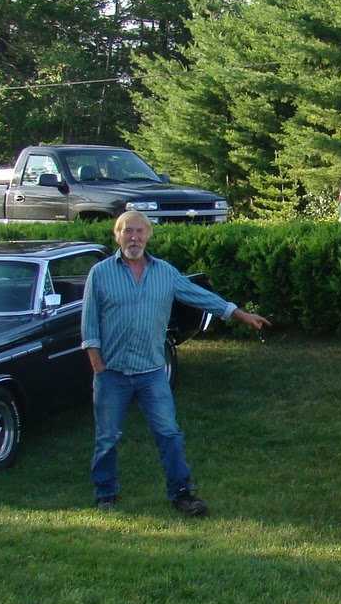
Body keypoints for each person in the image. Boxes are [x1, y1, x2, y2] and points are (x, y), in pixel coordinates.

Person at [81, 210, 270, 515]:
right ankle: (105, 494)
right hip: (111, 373)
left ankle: (182, 493)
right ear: (117, 236)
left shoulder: (165, 273)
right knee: (107, 438)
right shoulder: (100, 274)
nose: (134, 238)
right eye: (127, 231)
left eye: (140, 231)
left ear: (148, 236)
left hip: (152, 372)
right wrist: (97, 365)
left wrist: (239, 314)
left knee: (168, 434)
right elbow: (89, 324)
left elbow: (199, 296)